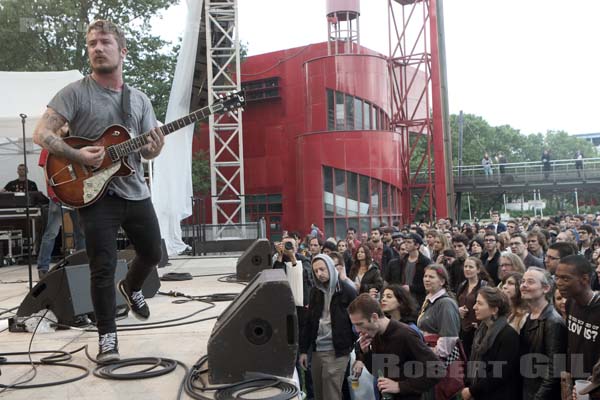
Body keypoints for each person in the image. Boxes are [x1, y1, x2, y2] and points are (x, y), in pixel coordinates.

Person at [32, 20, 164, 362]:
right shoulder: (75, 93)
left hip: (134, 190)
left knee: (151, 252)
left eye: (104, 42)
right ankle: (108, 337)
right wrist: (77, 154)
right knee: (101, 266)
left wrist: (155, 147)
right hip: (93, 192)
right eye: (91, 43)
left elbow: (147, 152)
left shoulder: (139, 100)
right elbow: (41, 133)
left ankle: (132, 286)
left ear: (123, 51)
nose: (97, 48)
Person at [349, 293, 441, 400]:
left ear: (374, 317)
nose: (357, 330)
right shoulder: (375, 333)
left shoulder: (405, 334)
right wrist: (366, 354)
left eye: (360, 324)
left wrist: (399, 386)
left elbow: (437, 369)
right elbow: (379, 371)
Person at [299, 254, 357, 400]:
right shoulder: (315, 292)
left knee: (331, 393)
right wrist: (304, 350)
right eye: (316, 271)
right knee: (319, 393)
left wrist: (356, 351)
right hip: (318, 349)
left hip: (338, 351)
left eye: (322, 269)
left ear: (331, 268)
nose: (319, 274)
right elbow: (309, 322)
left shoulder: (347, 291)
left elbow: (357, 322)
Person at [460, 287, 520, 400]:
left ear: (494, 310)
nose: (474, 307)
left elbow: (499, 373)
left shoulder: (508, 335)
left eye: (479, 303)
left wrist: (472, 391)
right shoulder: (480, 331)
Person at [555, 255, 600, 398]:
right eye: (557, 278)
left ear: (585, 279)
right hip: (576, 382)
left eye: (566, 279)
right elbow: (573, 344)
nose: (559, 283)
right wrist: (570, 382)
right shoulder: (570, 304)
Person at [519, 267, 567, 400]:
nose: (523, 285)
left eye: (530, 282)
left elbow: (554, 370)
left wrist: (538, 397)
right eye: (523, 281)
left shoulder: (553, 322)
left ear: (545, 288)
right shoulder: (530, 316)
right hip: (527, 388)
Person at [456, 257, 490, 359]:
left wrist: (480, 323)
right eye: (465, 266)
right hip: (462, 328)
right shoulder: (462, 285)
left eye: (471, 267)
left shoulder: (484, 286)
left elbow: (488, 307)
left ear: (478, 270)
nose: (467, 269)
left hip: (476, 328)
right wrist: (458, 310)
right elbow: (457, 302)